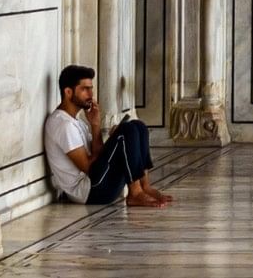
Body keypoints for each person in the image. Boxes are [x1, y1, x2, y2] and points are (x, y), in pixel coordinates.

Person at [43, 64, 170, 208]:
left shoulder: (76, 121)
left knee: (138, 126)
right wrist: (118, 138)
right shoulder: (62, 124)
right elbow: (88, 167)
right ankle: (134, 194)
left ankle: (144, 186)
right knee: (126, 131)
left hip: (98, 184)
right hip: (90, 191)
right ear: (68, 92)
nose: (91, 95)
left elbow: (97, 155)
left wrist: (95, 125)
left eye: (91, 89)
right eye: (85, 89)